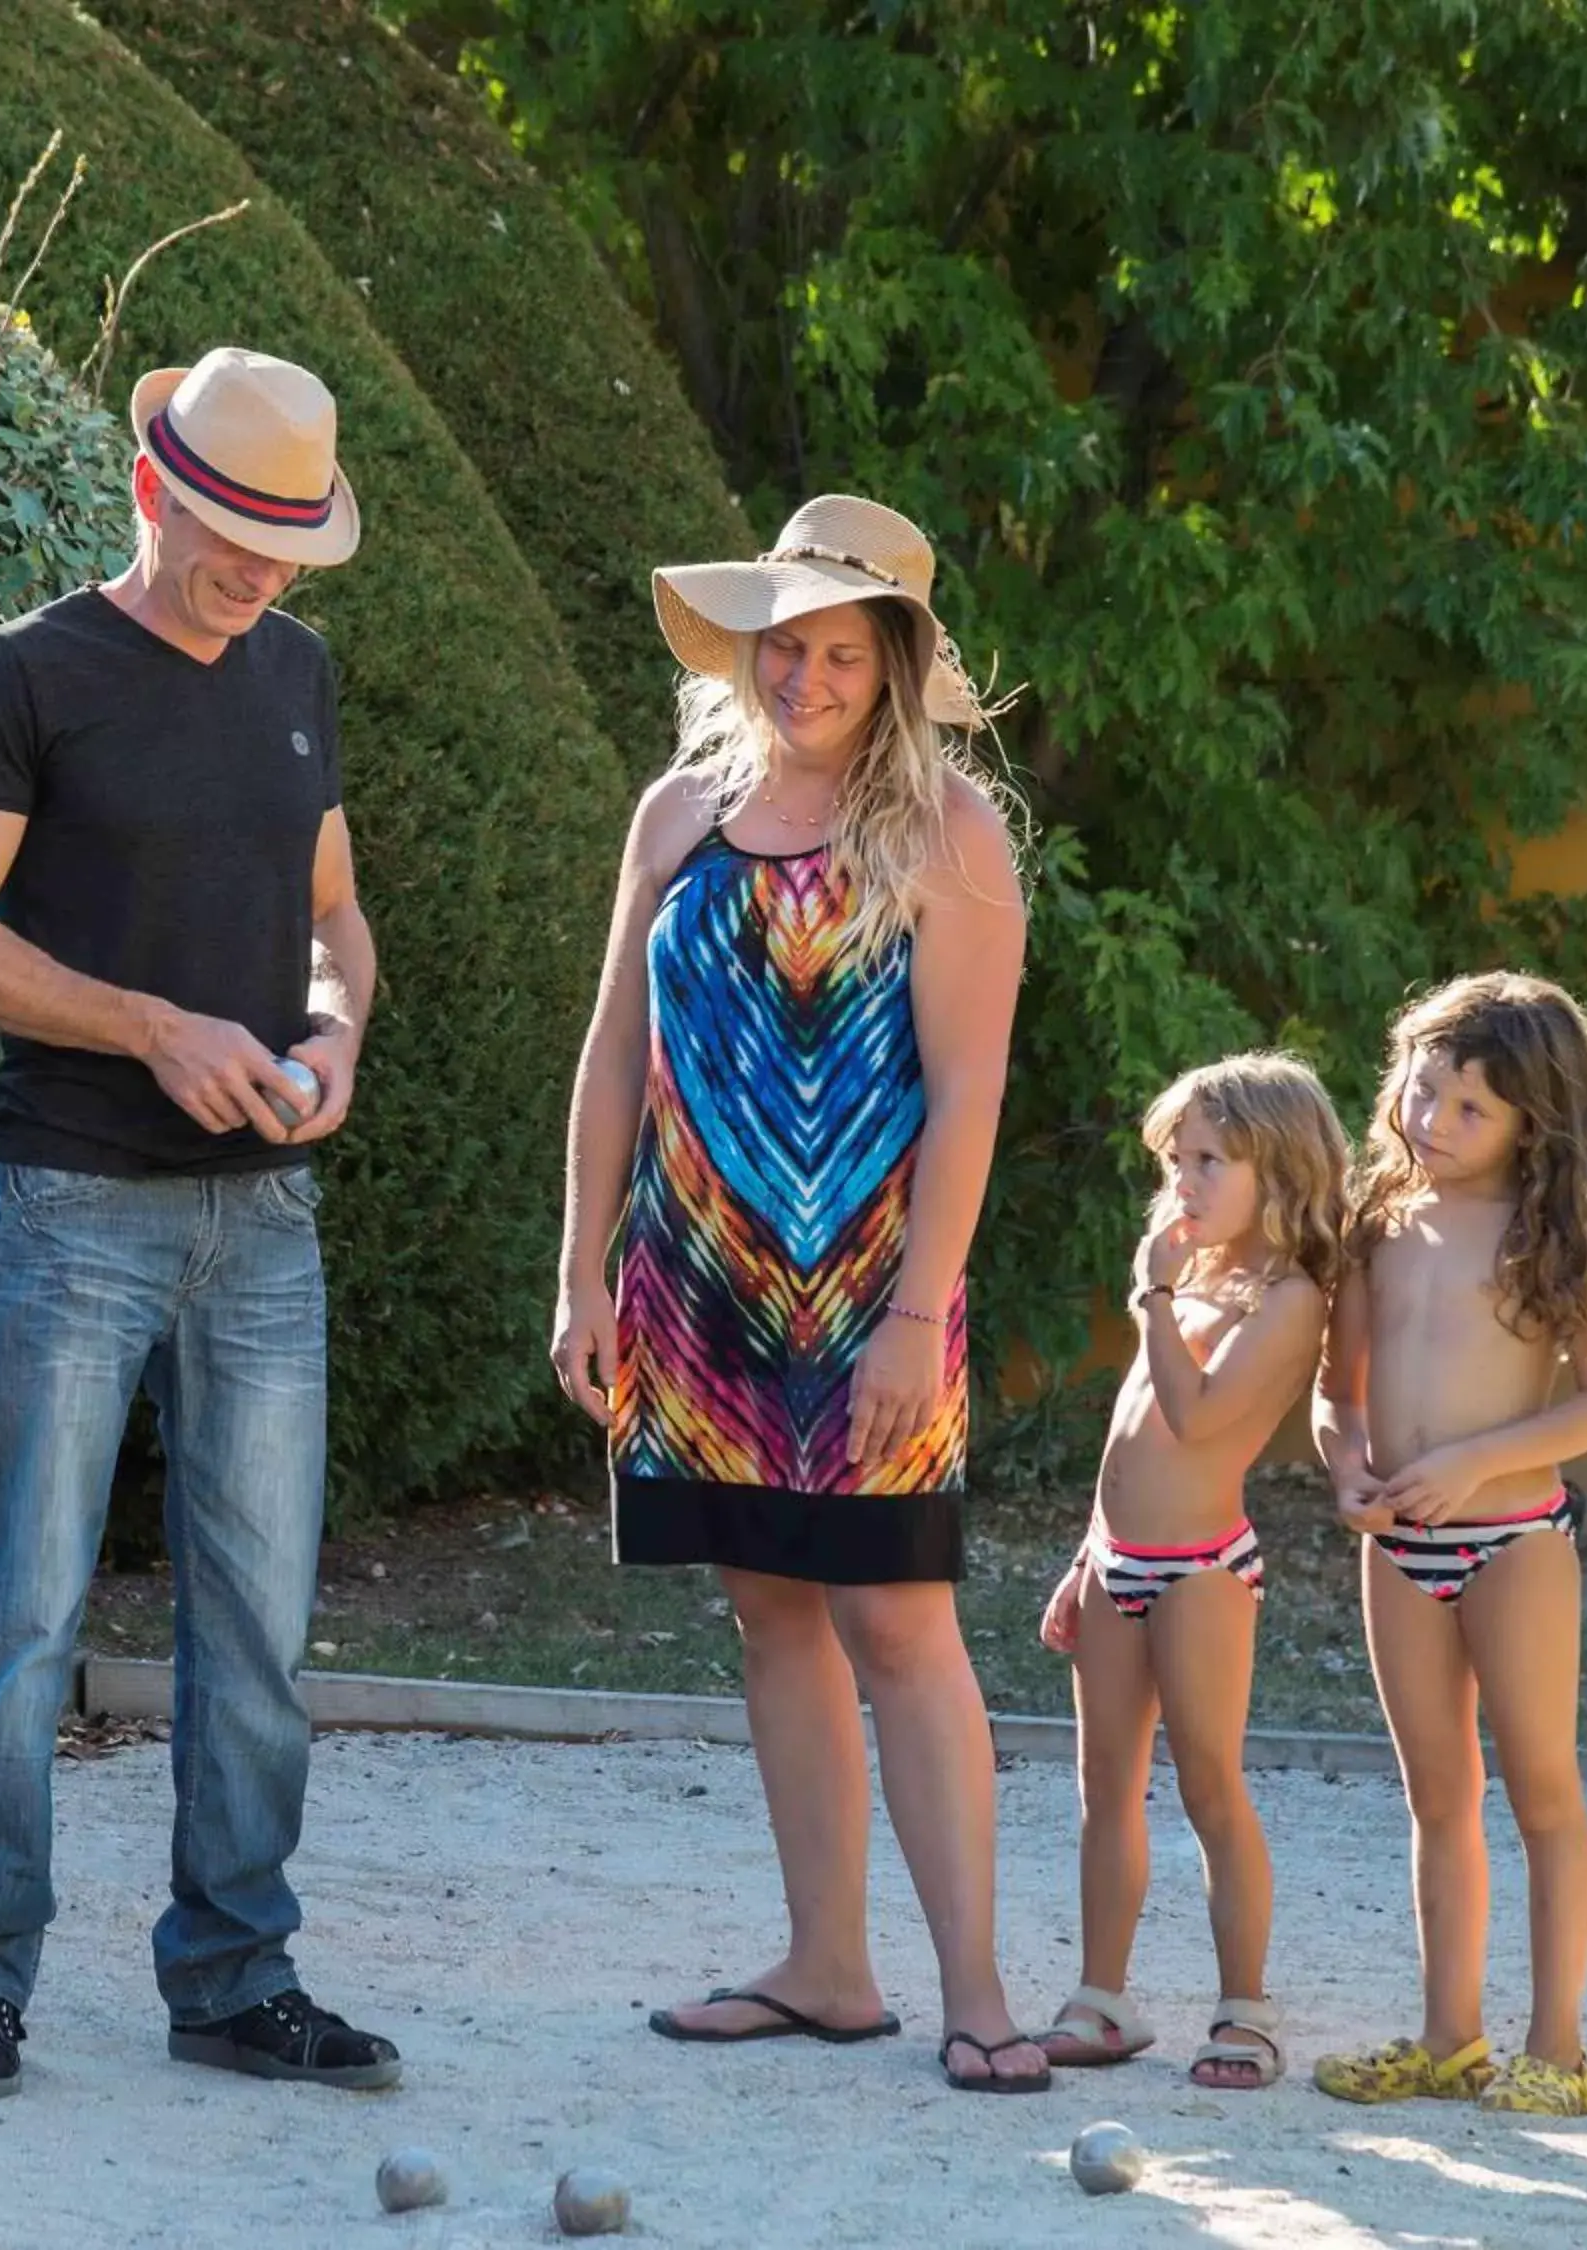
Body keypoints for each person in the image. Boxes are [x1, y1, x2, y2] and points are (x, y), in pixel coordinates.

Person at [0, 347, 397, 2103]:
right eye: (230, 541)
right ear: (146, 492)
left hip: (267, 1220)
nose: (258, 579)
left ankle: (237, 1977)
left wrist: (332, 1032)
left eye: (286, 553)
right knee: (21, 1614)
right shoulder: (28, 678)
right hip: (76, 1206)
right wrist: (152, 1026)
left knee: (259, 1628)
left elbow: (339, 920)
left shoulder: (299, 674)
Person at [552, 495, 1046, 2093]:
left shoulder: (949, 831)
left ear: (893, 664)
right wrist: (584, 1273)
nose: (806, 672)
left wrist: (919, 1313)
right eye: (788, 641)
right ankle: (828, 1966)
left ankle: (978, 1992)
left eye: (842, 648)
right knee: (768, 1611)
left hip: (874, 1303)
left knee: (900, 1626)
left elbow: (968, 1091)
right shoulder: (677, 816)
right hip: (693, 1293)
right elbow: (616, 1052)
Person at [1309, 972, 1587, 2117]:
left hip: (1513, 1544)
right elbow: (1336, 1394)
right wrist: (1349, 1466)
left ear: (1532, 1125)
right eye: (1422, 1089)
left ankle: (1561, 2048)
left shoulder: (1556, 1241)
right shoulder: (1376, 1226)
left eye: (1469, 1110)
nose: (1430, 1121)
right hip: (1396, 1551)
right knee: (1437, 1797)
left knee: (1543, 1792)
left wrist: (1472, 1463)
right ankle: (1451, 2038)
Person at [1032, 1054, 1349, 2091]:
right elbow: (1127, 1432)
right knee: (1104, 1788)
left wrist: (1153, 1298)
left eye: (1213, 1160)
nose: (1187, 1183)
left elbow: (1198, 1418)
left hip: (1202, 1570)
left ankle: (1245, 2010)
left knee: (1209, 1782)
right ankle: (1104, 1998)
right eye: (1178, 1161)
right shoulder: (1195, 1279)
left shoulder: (1288, 1294)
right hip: (1118, 1560)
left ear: (1283, 1168)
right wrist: (1087, 1554)